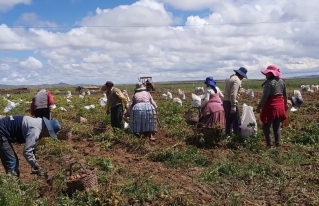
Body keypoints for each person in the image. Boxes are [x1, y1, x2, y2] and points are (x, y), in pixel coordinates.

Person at [256, 65, 288, 147]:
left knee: (266, 127)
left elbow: (265, 97)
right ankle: (278, 143)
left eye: (267, 73)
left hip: (271, 107)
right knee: (276, 127)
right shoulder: (282, 81)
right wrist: (285, 104)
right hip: (280, 106)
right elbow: (285, 94)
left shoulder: (269, 83)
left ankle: (270, 145)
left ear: (271, 73)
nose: (265, 75)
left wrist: (259, 107)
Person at [223, 67, 248, 135]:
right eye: (243, 76)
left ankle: (228, 135)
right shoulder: (237, 80)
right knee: (236, 121)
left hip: (225, 101)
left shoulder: (230, 78)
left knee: (229, 121)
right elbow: (233, 94)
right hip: (230, 102)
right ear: (241, 75)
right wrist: (233, 106)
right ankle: (237, 137)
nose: (242, 78)